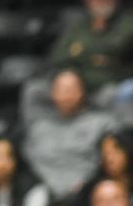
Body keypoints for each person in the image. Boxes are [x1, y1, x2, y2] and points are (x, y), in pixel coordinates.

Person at [47, 0, 133, 96]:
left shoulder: (131, 22)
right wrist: (77, 72)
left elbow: (113, 48)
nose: (101, 0)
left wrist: (80, 53)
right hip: (78, 83)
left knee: (114, 92)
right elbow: (59, 57)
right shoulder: (78, 25)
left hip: (113, 83)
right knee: (36, 90)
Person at [23, 70, 116, 198]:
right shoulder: (38, 127)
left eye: (71, 89)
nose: (66, 95)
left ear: (82, 92)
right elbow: (26, 161)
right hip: (43, 193)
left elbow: (115, 157)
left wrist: (90, 185)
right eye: (61, 89)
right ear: (52, 93)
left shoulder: (103, 124)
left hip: (87, 191)